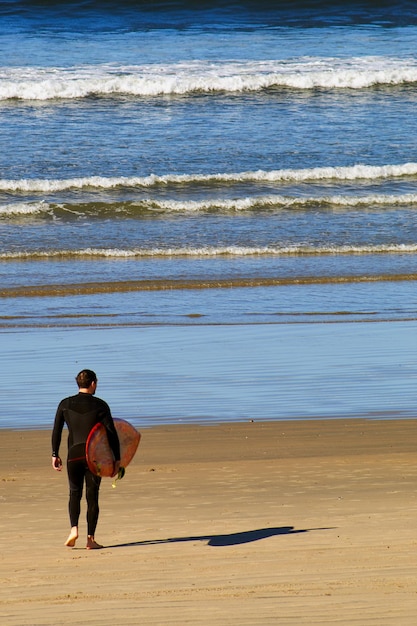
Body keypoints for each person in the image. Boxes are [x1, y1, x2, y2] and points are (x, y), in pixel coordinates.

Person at [51, 369, 120, 550]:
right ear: (93, 383)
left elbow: (56, 430)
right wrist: (117, 459)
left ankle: (74, 529)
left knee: (74, 493)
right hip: (93, 457)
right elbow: (111, 433)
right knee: (92, 496)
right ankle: (90, 539)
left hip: (73, 454)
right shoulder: (101, 405)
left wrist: (54, 454)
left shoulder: (65, 404)